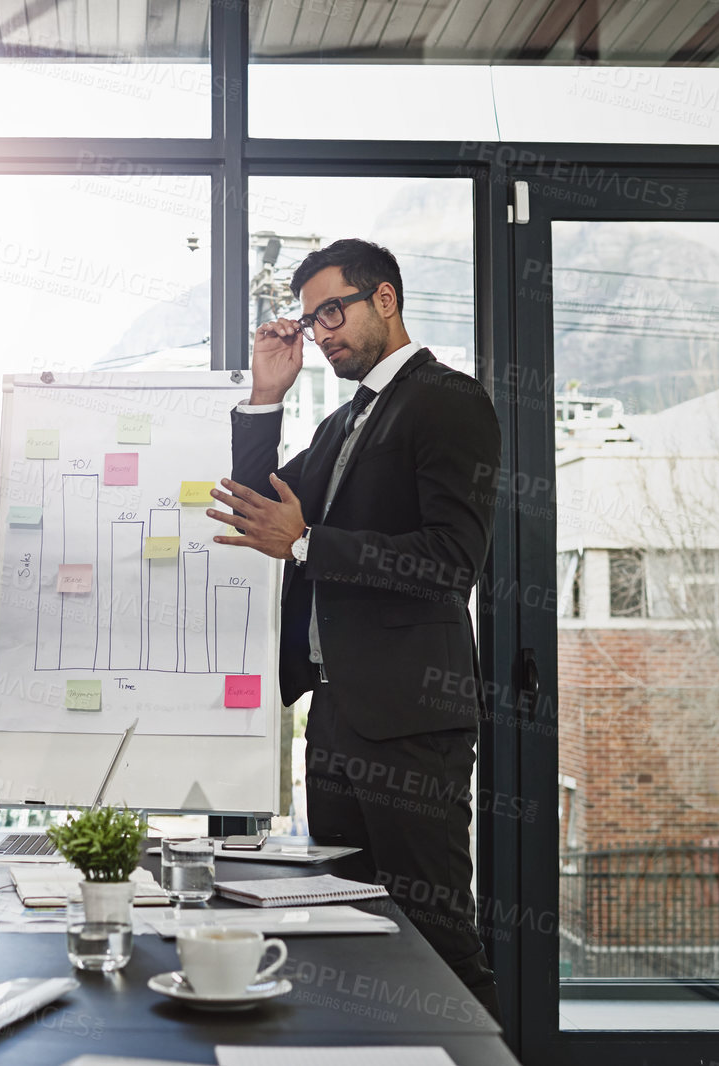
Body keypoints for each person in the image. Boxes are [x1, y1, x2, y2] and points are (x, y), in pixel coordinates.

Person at [211, 238, 503, 1019]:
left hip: (411, 722)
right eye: (311, 320)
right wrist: (267, 396)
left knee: (437, 938)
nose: (321, 331)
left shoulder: (448, 401)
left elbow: (451, 560)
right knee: (347, 930)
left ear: (385, 299)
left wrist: (306, 542)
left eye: (332, 310)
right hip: (336, 717)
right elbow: (255, 503)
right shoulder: (344, 425)